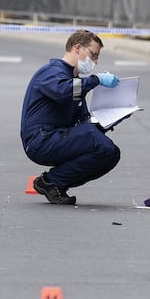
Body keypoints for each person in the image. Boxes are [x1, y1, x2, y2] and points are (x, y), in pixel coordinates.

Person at [20, 29, 122, 205]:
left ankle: (55, 183)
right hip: (40, 140)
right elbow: (62, 91)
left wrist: (111, 118)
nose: (95, 62)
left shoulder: (75, 80)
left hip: (56, 136)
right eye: (93, 55)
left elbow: (83, 124)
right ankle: (51, 181)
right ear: (77, 48)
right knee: (98, 142)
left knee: (109, 153)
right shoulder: (52, 71)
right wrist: (96, 80)